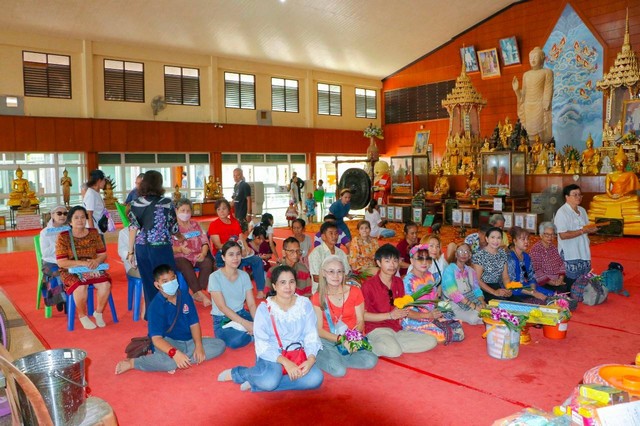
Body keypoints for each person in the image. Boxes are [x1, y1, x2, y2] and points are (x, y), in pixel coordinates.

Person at [217, 265, 324, 392]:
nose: (288, 287)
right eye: (282, 282)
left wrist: (311, 359)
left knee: (315, 378)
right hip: (272, 354)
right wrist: (285, 362)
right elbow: (262, 343)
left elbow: (311, 334)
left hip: (298, 353)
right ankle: (241, 373)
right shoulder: (265, 308)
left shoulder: (305, 304)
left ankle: (258, 384)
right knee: (269, 381)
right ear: (274, 286)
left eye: (291, 282)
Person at [115, 264, 226, 375]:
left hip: (189, 341)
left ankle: (180, 358)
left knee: (219, 345)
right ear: (157, 285)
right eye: (165, 281)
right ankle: (133, 363)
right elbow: (157, 339)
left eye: (173, 279)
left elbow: (194, 323)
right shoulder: (155, 306)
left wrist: (199, 345)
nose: (171, 283)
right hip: (168, 342)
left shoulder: (185, 296)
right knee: (169, 363)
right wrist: (174, 353)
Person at [362, 244, 437, 357]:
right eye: (387, 261)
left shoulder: (398, 282)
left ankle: (391, 345)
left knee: (432, 341)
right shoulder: (368, 285)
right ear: (378, 263)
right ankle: (366, 345)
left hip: (397, 329)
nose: (392, 265)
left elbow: (404, 307)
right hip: (376, 329)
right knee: (394, 352)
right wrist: (390, 315)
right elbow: (362, 315)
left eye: (395, 261)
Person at [311, 256, 378, 377]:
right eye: (331, 271)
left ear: (344, 273)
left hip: (351, 337)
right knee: (339, 372)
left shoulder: (355, 291)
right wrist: (342, 340)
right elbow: (319, 331)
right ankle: (322, 355)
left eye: (339, 272)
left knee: (371, 361)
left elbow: (361, 321)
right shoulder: (317, 297)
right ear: (323, 273)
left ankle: (336, 357)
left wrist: (352, 341)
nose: (336, 276)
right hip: (329, 339)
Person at [128, 170, 181, 316]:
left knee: (149, 283)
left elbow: (133, 227)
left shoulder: (135, 203)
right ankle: (170, 313)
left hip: (142, 248)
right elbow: (174, 228)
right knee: (168, 282)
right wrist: (181, 237)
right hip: (161, 247)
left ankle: (153, 316)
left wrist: (130, 252)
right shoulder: (166, 203)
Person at [56, 206, 112, 330]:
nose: (80, 220)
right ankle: (82, 316)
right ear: (70, 221)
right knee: (81, 286)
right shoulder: (63, 236)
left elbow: (103, 254)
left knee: (105, 284)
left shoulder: (93, 233)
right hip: (70, 269)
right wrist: (82, 263)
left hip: (92, 267)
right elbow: (61, 262)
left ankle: (98, 312)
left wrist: (96, 261)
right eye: (76, 217)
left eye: (82, 217)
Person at [207, 198, 266, 299]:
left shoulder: (234, 223)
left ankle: (260, 290)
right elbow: (218, 245)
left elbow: (241, 237)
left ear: (229, 210)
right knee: (236, 263)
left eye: (224, 208)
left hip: (238, 252)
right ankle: (236, 294)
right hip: (223, 254)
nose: (221, 211)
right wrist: (237, 251)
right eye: (219, 209)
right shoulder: (214, 225)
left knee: (257, 260)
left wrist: (247, 249)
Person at [209, 241, 257, 349]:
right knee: (236, 341)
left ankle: (254, 333)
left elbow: (251, 304)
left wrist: (257, 322)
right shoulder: (214, 277)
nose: (235, 258)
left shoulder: (244, 276)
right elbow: (222, 307)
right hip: (223, 319)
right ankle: (254, 335)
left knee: (267, 325)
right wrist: (246, 324)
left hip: (241, 314)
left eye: (238, 254)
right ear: (223, 257)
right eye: (231, 254)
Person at [401, 244, 448, 343]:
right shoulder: (408, 281)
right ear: (412, 261)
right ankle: (410, 334)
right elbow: (407, 312)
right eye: (420, 259)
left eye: (427, 259)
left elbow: (435, 299)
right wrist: (429, 315)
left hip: (431, 316)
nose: (424, 262)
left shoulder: (429, 275)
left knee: (454, 322)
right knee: (443, 335)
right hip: (415, 319)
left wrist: (443, 310)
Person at [588, 146, 640, 234]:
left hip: (625, 197)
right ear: (614, 163)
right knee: (596, 198)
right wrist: (611, 195)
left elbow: (632, 191)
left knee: (635, 199)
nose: (619, 165)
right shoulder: (610, 174)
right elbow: (607, 189)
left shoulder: (630, 175)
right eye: (617, 163)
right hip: (612, 197)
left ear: (625, 163)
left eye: (621, 163)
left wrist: (622, 195)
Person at [173, 198, 214, 307]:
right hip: (179, 256)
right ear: (176, 211)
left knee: (207, 263)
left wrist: (204, 253)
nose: (185, 214)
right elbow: (168, 247)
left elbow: (204, 241)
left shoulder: (195, 225)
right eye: (182, 210)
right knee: (184, 265)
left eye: (188, 211)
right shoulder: (172, 228)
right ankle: (200, 294)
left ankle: (197, 292)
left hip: (196, 255)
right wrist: (180, 249)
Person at [554, 184, 597, 287]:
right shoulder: (562, 212)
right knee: (571, 281)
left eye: (580, 195)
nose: (578, 197)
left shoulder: (582, 210)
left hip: (583, 249)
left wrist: (591, 229)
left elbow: (585, 228)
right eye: (575, 195)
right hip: (570, 251)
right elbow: (563, 235)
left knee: (584, 278)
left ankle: (582, 294)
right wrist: (582, 231)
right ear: (567, 197)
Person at [512, 46, 554, 142]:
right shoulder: (526, 75)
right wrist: (517, 90)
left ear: (542, 58)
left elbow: (548, 88)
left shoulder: (547, 72)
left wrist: (546, 102)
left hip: (539, 105)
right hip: (528, 106)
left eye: (535, 57)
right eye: (531, 58)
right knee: (530, 134)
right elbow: (523, 96)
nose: (532, 60)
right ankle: (533, 153)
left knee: (541, 134)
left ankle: (542, 152)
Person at [442, 243, 485, 325]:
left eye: (466, 251)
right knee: (475, 318)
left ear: (470, 255)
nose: (463, 254)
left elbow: (476, 289)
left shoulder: (471, 271)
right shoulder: (449, 270)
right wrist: (474, 306)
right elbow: (454, 293)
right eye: (460, 251)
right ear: (456, 254)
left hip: (471, 301)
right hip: (453, 305)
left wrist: (482, 301)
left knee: (487, 311)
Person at [39, 205, 69, 311]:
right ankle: (62, 300)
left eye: (65, 213)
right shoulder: (45, 232)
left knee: (75, 273)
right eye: (59, 213)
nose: (62, 216)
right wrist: (58, 242)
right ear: (52, 215)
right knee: (58, 273)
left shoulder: (69, 229)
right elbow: (45, 253)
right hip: (50, 262)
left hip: (66, 260)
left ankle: (67, 300)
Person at [507, 227, 549, 301]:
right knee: (542, 299)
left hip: (526, 287)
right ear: (515, 241)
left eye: (527, 239)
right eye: (523, 239)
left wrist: (533, 289)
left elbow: (531, 276)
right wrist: (532, 293)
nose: (526, 242)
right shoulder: (510, 258)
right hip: (513, 289)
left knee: (550, 295)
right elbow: (511, 284)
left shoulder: (526, 256)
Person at [471, 227, 512, 302]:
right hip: (483, 289)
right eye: (492, 237)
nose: (496, 241)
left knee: (517, 302)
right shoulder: (479, 255)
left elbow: (505, 277)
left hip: (497, 286)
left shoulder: (502, 253)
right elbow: (477, 280)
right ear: (487, 239)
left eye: (499, 238)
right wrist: (494, 292)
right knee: (503, 305)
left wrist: (508, 290)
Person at [309, 222, 351, 293]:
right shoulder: (316, 253)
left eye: (336, 233)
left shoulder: (341, 253)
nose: (334, 236)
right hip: (321, 292)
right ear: (323, 237)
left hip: (340, 291)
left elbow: (347, 273)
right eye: (331, 233)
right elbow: (316, 278)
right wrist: (336, 279)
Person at [530, 222, 568, 294]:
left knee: (571, 284)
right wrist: (552, 282)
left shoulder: (553, 247)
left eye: (552, 234)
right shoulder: (536, 250)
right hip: (544, 282)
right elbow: (536, 271)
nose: (550, 237)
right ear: (541, 235)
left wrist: (560, 278)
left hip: (557, 280)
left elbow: (561, 264)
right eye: (547, 234)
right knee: (562, 290)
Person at [83, 169, 107, 233]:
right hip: (94, 229)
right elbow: (89, 215)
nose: (105, 183)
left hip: (98, 228)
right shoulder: (91, 194)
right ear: (99, 181)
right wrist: (92, 232)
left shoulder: (95, 193)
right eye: (104, 180)